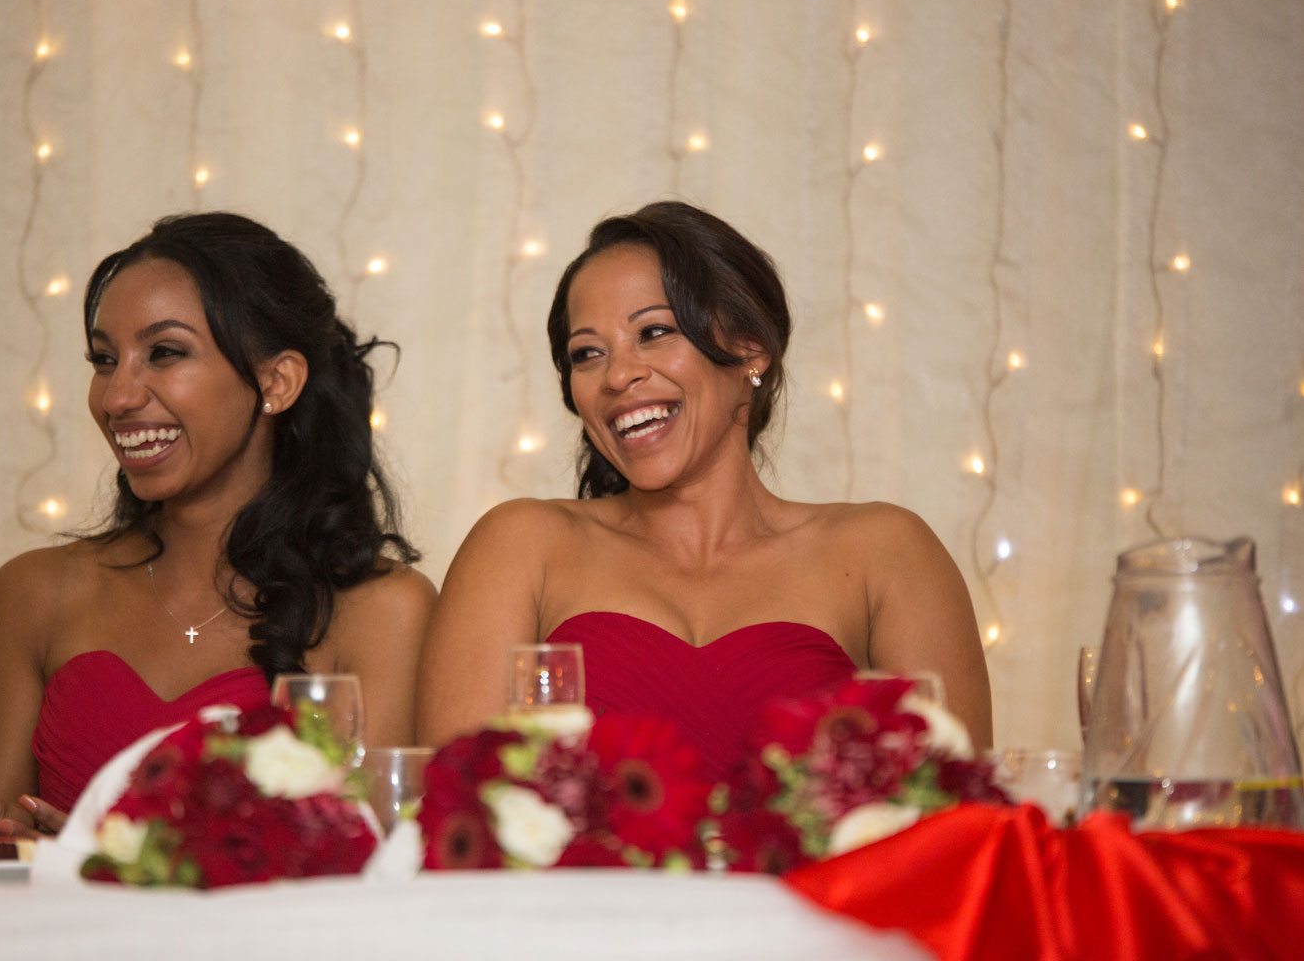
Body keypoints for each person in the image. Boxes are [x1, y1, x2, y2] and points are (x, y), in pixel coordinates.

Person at [416, 201, 992, 775]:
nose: (617, 376)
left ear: (749, 351)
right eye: (588, 353)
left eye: (655, 331)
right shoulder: (520, 546)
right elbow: (455, 824)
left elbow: (954, 829)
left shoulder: (886, 552)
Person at [0, 212, 434, 844]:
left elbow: (375, 875)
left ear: (275, 381)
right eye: (104, 359)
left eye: (165, 353)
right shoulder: (32, 594)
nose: (117, 396)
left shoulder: (381, 611)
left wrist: (121, 861)